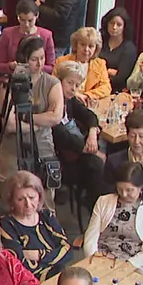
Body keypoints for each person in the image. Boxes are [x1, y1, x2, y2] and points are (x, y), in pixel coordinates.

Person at [0, 35, 64, 189]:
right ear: (23, 59)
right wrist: (40, 123)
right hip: (12, 150)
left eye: (42, 58)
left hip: (42, 147)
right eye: (34, 59)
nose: (40, 63)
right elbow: (10, 125)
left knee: (44, 200)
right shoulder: (8, 84)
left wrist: (25, 118)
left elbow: (56, 117)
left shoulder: (53, 83)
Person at [0, 170, 75, 281]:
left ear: (39, 197)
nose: (28, 204)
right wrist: (52, 254)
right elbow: (20, 265)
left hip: (59, 278)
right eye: (20, 199)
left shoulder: (46, 216)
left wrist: (38, 255)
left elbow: (68, 251)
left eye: (32, 197)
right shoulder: (6, 225)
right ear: (11, 201)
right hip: (30, 284)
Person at [83, 161, 143, 269]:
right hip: (100, 257)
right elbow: (91, 236)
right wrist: (93, 259)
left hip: (131, 263)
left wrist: (126, 267)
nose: (123, 194)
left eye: (129, 190)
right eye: (120, 189)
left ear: (141, 187)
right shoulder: (103, 201)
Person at [53, 60, 105, 210]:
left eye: (77, 85)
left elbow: (89, 116)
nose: (73, 89)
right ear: (58, 80)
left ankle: (98, 205)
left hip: (78, 150)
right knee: (97, 165)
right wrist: (92, 150)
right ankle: (96, 209)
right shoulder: (52, 101)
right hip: (60, 160)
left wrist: (93, 132)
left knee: (102, 164)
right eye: (70, 83)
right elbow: (61, 136)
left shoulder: (70, 100)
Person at [0, 0, 56, 81]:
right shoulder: (7, 34)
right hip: (13, 79)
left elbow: (52, 67)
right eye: (22, 20)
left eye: (30, 20)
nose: (26, 25)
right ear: (17, 17)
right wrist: (10, 66)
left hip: (39, 78)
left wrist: (34, 67)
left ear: (36, 16)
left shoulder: (46, 35)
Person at [55, 27, 111, 103]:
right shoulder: (62, 61)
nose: (86, 49)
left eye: (91, 46)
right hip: (66, 102)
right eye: (83, 45)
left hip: (88, 103)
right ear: (76, 44)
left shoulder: (100, 64)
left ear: (96, 48)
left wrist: (87, 95)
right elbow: (55, 84)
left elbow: (106, 88)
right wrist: (75, 95)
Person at [99, 7, 138, 94]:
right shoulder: (100, 42)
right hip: (95, 87)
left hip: (116, 91)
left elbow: (121, 78)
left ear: (124, 27)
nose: (114, 27)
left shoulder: (129, 48)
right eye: (112, 23)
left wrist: (101, 71)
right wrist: (109, 71)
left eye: (119, 25)